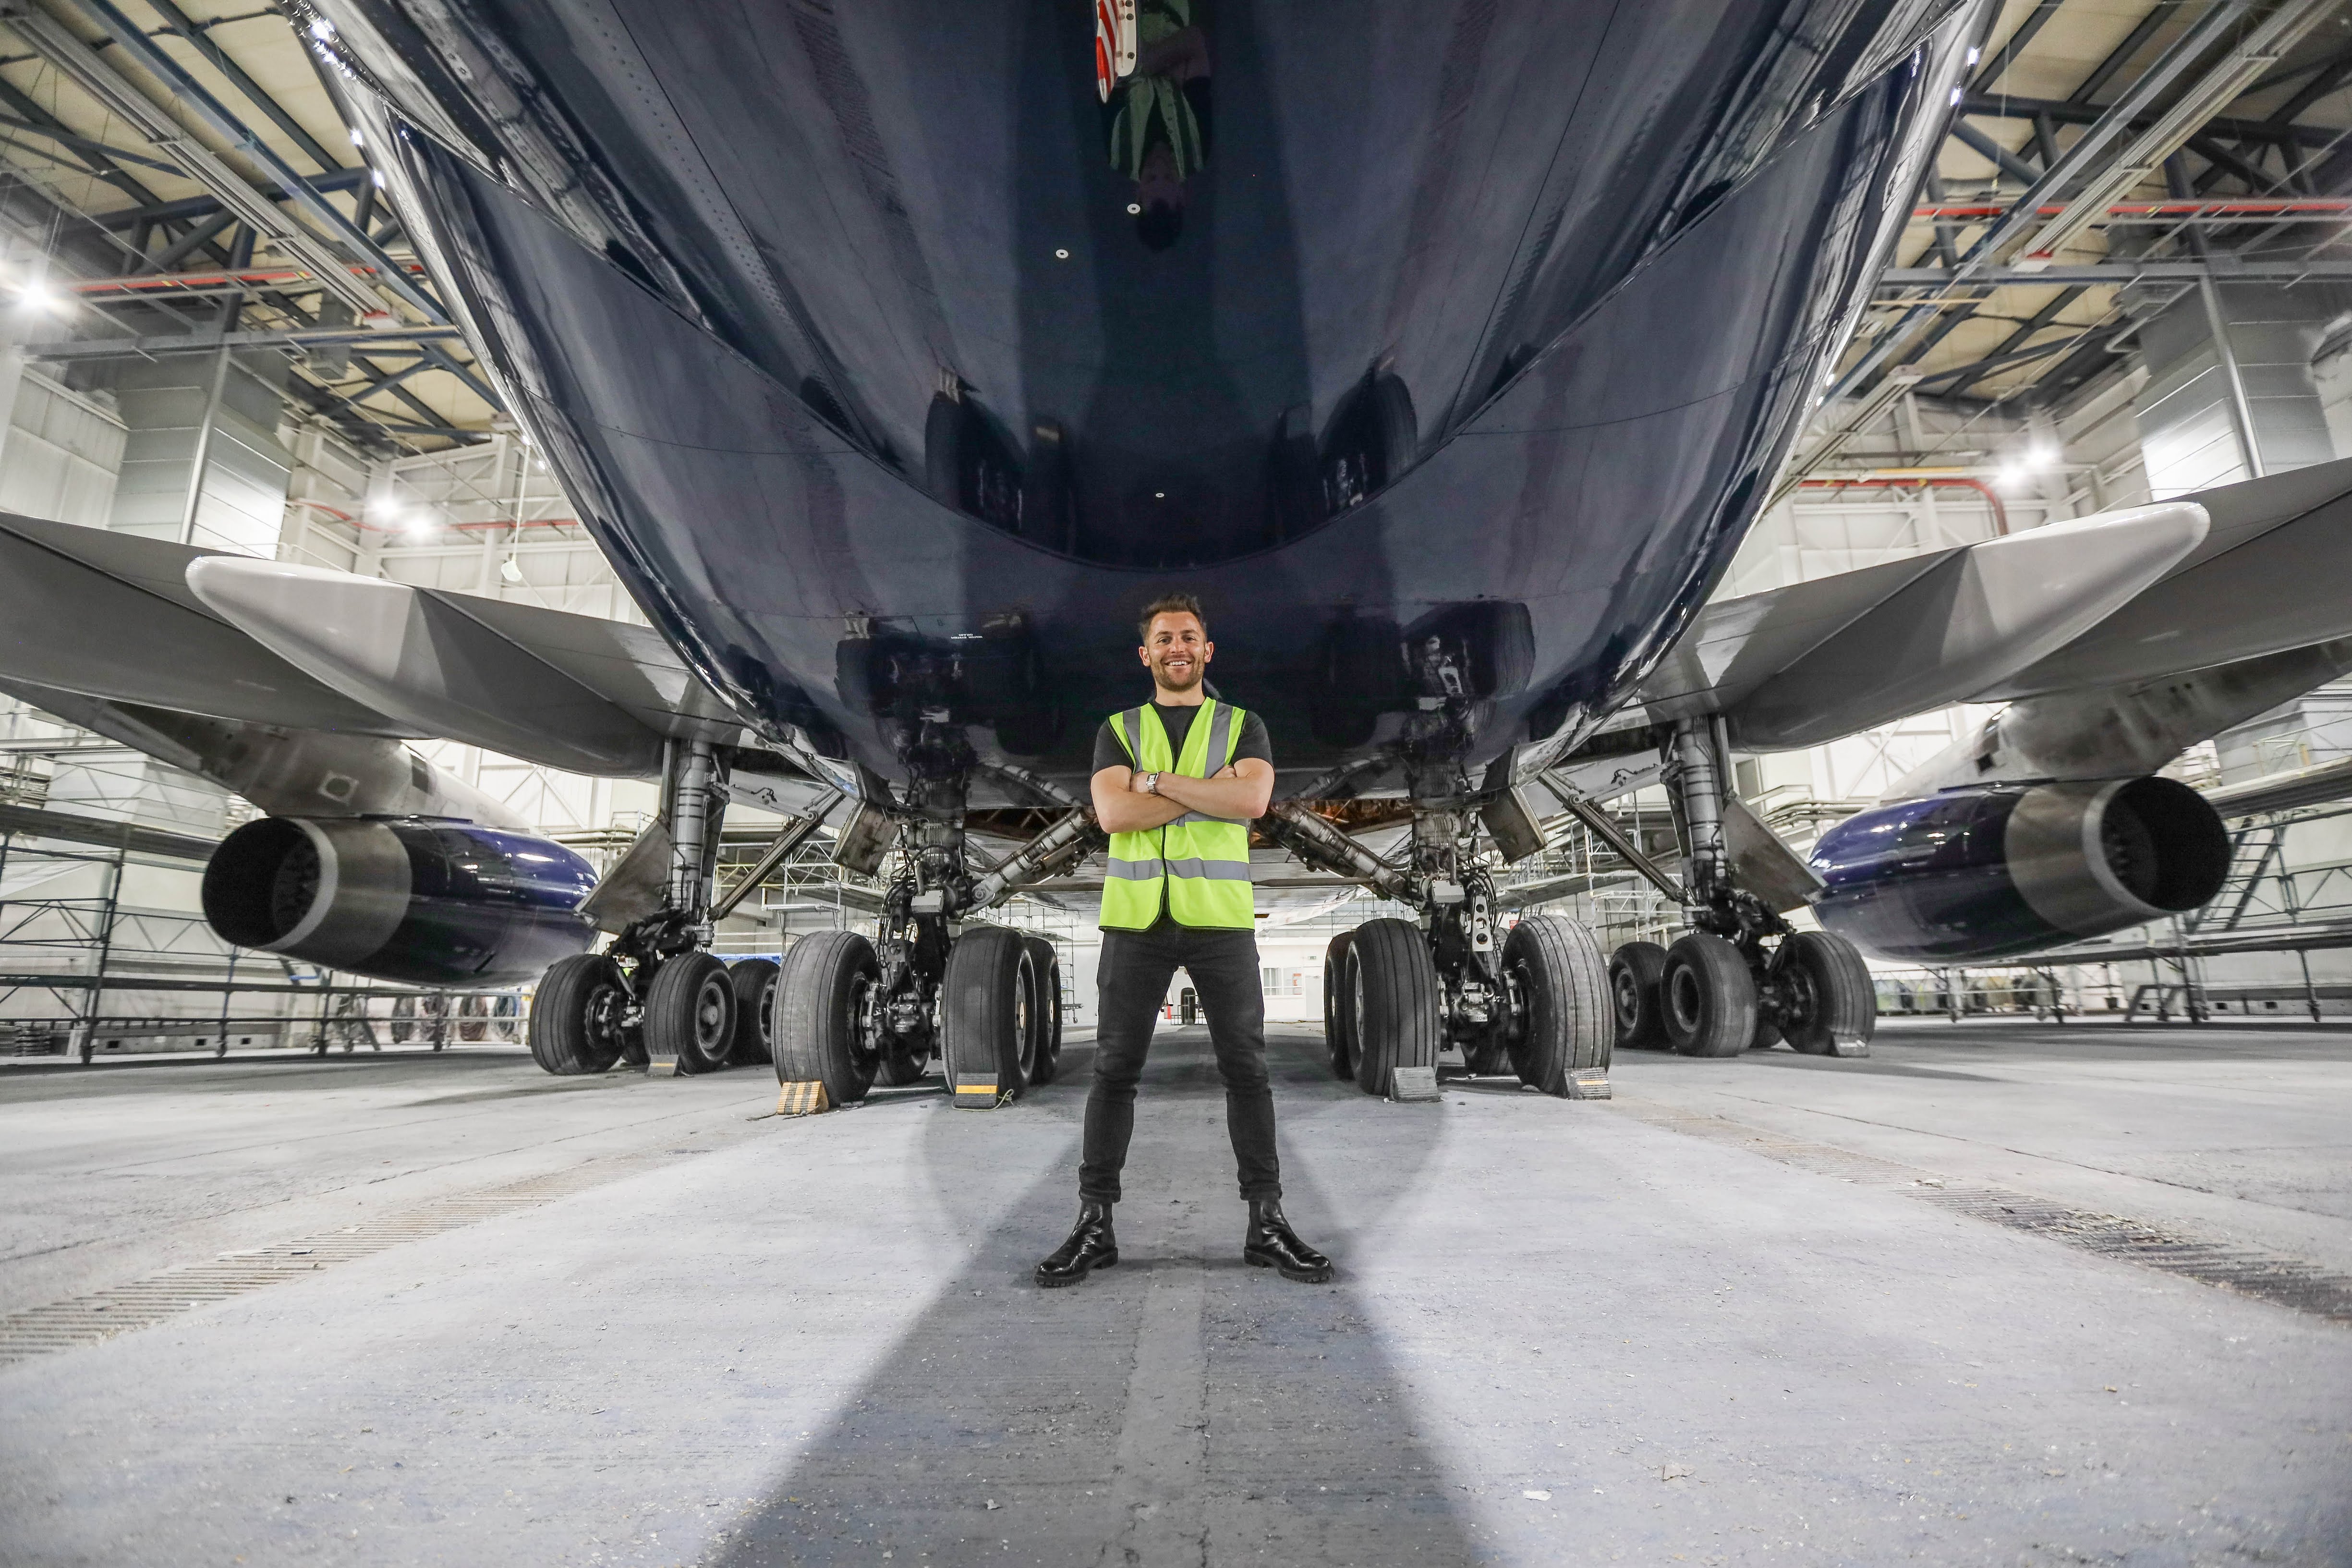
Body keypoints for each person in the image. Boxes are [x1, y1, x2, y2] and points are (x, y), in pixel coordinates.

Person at [1035, 592, 1332, 1287]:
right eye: (1164, 638)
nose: (1177, 647)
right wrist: (1207, 787)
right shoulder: (1119, 727)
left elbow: (1253, 802)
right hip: (1137, 921)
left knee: (1247, 1073)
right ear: (1146, 654)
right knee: (1113, 1073)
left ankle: (1266, 1223)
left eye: (1189, 637)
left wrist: (1156, 784)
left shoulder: (1241, 724)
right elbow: (1112, 813)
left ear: (1207, 651)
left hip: (1219, 921)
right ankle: (1094, 1224)